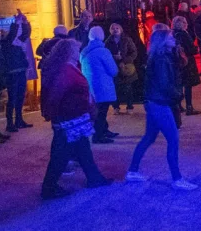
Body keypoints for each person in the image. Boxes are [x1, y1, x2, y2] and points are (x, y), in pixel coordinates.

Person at [126, 26, 199, 190]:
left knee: (149, 137)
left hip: (154, 101)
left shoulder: (161, 56)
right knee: (173, 139)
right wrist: (178, 95)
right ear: (163, 42)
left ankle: (132, 170)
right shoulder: (161, 60)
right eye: (171, 38)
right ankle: (177, 179)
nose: (174, 39)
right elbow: (166, 84)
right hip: (160, 103)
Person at [40, 38, 112, 198]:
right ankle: (49, 187)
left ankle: (94, 177)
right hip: (68, 119)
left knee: (82, 148)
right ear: (68, 52)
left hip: (74, 118)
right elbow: (56, 95)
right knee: (61, 153)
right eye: (75, 50)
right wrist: (52, 115)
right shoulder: (65, 70)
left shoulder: (69, 67)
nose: (78, 52)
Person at [82, 26, 119, 143]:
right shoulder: (103, 51)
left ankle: (104, 130)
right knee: (102, 112)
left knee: (98, 110)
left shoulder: (84, 51)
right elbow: (113, 70)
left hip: (91, 86)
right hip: (103, 86)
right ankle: (98, 135)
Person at [4, 15, 33, 132]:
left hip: (21, 71)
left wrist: (25, 22)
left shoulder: (17, 43)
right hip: (12, 73)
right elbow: (12, 34)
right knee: (12, 98)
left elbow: (25, 35)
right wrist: (16, 22)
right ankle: (10, 123)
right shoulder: (6, 43)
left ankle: (19, 120)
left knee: (20, 97)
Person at [173, 15, 201, 115]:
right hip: (187, 62)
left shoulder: (173, 34)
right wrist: (196, 49)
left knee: (179, 84)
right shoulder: (184, 35)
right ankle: (189, 107)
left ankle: (178, 105)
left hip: (177, 62)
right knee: (188, 85)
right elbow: (189, 49)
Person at [106, 23, 138, 114]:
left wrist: (124, 59)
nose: (115, 30)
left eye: (117, 28)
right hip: (114, 67)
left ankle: (129, 107)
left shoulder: (127, 40)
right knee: (115, 88)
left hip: (126, 67)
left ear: (121, 29)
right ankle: (116, 107)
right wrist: (113, 57)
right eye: (113, 28)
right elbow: (105, 54)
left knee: (128, 88)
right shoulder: (108, 41)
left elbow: (134, 52)